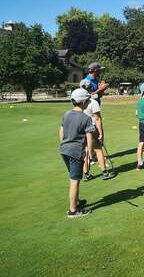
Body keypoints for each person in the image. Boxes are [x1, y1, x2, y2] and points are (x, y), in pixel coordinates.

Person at [59, 88, 95, 218]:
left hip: (64, 150)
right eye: (88, 100)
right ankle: (73, 210)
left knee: (74, 176)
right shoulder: (86, 118)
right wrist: (90, 155)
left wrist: (64, 144)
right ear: (83, 101)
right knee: (75, 180)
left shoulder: (66, 114)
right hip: (75, 152)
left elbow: (61, 132)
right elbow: (89, 139)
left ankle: (77, 201)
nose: (89, 102)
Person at [78, 79, 113, 181]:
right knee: (98, 150)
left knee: (86, 151)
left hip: (81, 129)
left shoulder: (78, 102)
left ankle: (86, 174)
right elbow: (97, 119)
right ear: (90, 88)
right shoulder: (93, 102)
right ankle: (104, 172)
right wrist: (101, 133)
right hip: (92, 129)